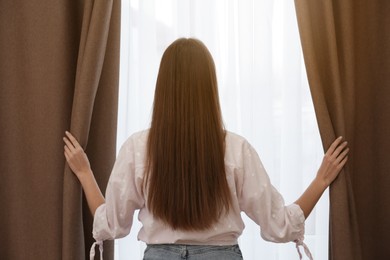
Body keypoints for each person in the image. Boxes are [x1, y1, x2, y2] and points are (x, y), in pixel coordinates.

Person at [63, 38, 349, 260]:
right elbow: (280, 225)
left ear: (162, 89)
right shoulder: (236, 150)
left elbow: (111, 224)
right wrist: (321, 180)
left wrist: (85, 173)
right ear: (210, 89)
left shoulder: (138, 148)